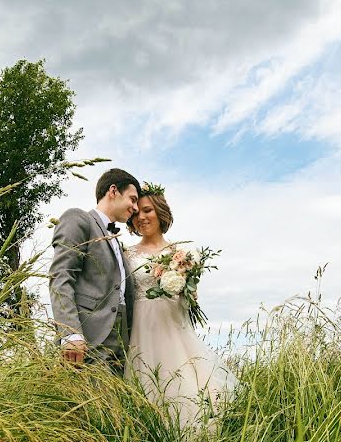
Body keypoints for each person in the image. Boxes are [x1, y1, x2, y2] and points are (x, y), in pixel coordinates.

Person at [124, 184, 235, 428]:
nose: (141, 217)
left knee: (183, 384)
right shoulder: (126, 254)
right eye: (136, 213)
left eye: (147, 210)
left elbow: (189, 297)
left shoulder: (182, 254)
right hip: (139, 329)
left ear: (160, 212)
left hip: (173, 328)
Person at [48, 168, 140, 376]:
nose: (135, 208)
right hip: (88, 343)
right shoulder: (79, 219)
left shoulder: (116, 240)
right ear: (113, 191)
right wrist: (70, 333)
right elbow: (61, 276)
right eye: (132, 199)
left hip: (120, 347)